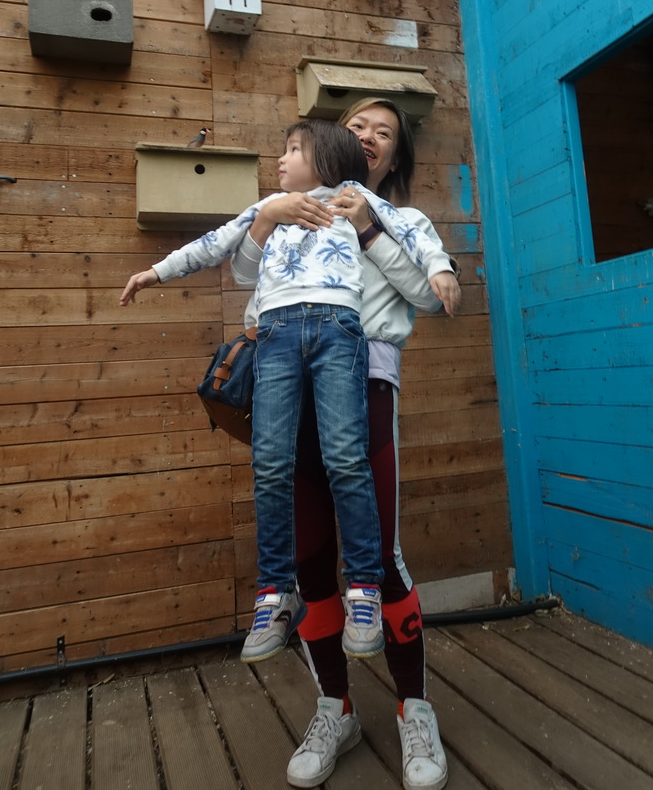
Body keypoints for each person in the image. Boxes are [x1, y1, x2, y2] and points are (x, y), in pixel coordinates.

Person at [120, 118, 456, 671]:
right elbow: (216, 245)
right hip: (275, 338)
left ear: (325, 158)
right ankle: (275, 592)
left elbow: (414, 234)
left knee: (348, 458)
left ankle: (365, 588)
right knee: (271, 462)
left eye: (292, 149)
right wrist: (156, 272)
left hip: (340, 335)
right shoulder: (271, 207)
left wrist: (440, 268)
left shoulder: (356, 199)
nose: (279, 160)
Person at [230, 100, 459, 790]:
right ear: (333, 142)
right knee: (309, 560)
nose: (367, 136)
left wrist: (367, 231)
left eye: (383, 134)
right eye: (357, 126)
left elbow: (426, 295)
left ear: (392, 160)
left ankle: (414, 708)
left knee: (380, 559)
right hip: (285, 399)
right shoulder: (291, 215)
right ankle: (336, 707)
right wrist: (268, 223)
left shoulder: (405, 221)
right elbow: (249, 288)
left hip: (365, 389)